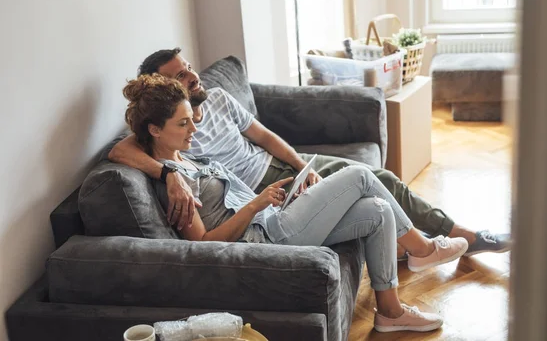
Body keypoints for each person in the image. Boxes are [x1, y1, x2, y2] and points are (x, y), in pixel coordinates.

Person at [122, 75, 470, 333]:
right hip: (267, 241)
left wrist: (279, 200)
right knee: (361, 176)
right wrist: (255, 205)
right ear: (154, 130)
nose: (193, 130)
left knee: (377, 211)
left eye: (191, 120)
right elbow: (201, 245)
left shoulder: (182, 165)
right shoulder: (174, 188)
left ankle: (390, 313)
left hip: (274, 220)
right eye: (182, 124)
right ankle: (422, 250)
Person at [108, 48, 510, 257]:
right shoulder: (172, 134)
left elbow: (264, 136)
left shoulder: (215, 98)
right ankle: (449, 238)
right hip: (258, 189)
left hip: (280, 167)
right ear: (164, 92)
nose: (193, 75)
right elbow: (120, 149)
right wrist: (169, 174)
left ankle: (420, 244)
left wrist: (303, 164)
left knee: (376, 183)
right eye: (181, 75)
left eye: (190, 66)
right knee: (374, 181)